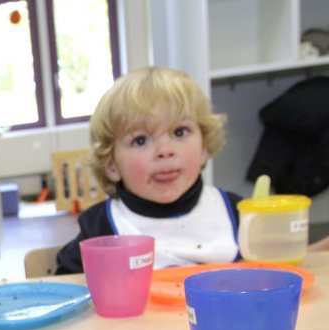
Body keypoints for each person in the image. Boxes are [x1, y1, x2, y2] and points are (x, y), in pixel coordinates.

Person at [56, 66, 244, 274]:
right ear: (111, 165)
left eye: (180, 132)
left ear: (204, 147)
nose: (164, 151)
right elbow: (64, 289)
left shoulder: (238, 213)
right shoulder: (99, 230)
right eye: (140, 140)